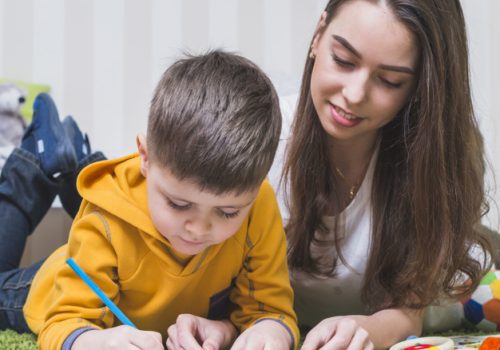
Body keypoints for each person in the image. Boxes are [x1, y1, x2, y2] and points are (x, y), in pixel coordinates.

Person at [0, 50, 299, 350]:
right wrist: (95, 341)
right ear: (145, 157)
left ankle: (77, 160)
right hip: (47, 286)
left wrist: (268, 330)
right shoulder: (104, 219)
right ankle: (32, 165)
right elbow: (62, 323)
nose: (197, 229)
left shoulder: (258, 203)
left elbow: (268, 311)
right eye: (179, 204)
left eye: (228, 212)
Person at [268, 0, 493, 349]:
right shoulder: (263, 138)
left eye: (389, 81)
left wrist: (370, 331)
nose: (354, 95)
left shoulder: (435, 162)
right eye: (343, 60)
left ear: (421, 88)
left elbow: (408, 313)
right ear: (318, 34)